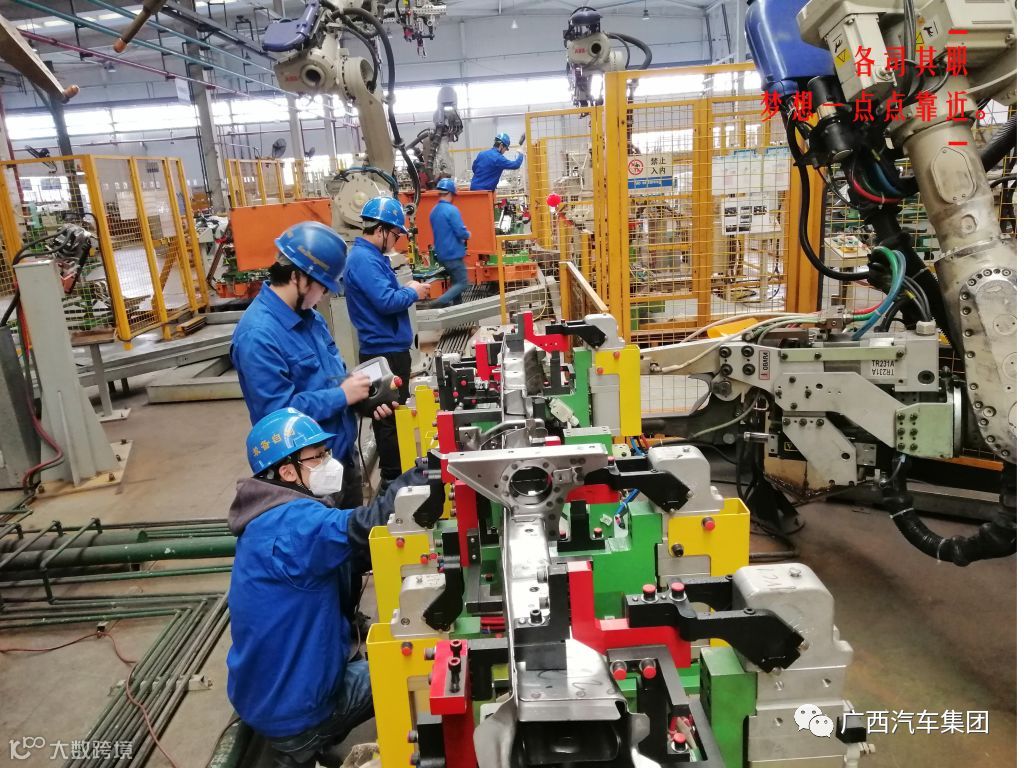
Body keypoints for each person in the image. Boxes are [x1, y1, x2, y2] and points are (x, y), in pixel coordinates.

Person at [226, 407, 440, 768]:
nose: (329, 462)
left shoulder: (266, 517)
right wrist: (427, 470)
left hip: (263, 694)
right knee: (424, 659)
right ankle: (308, 742)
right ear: (287, 471)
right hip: (296, 710)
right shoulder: (295, 525)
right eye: (318, 457)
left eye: (327, 452)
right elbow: (372, 523)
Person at [230, 221, 394, 510]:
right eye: (322, 286)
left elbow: (330, 378)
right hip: (306, 479)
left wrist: (363, 399)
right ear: (298, 277)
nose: (325, 295)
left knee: (353, 533)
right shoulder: (257, 336)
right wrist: (341, 396)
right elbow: (277, 416)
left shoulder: (310, 317)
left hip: (340, 460)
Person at [342, 197, 430, 491]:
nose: (395, 242)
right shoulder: (363, 260)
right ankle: (393, 481)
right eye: (394, 234)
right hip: (384, 351)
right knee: (389, 417)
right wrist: (413, 292)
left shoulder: (370, 258)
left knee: (392, 415)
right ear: (380, 230)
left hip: (388, 348)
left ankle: (395, 475)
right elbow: (386, 302)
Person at [427, 177, 471, 308]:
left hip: (442, 254)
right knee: (463, 282)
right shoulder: (452, 210)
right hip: (453, 253)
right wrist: (468, 234)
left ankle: (457, 308)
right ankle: (439, 302)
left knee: (456, 281)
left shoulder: (434, 211)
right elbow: (461, 232)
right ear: (450, 193)